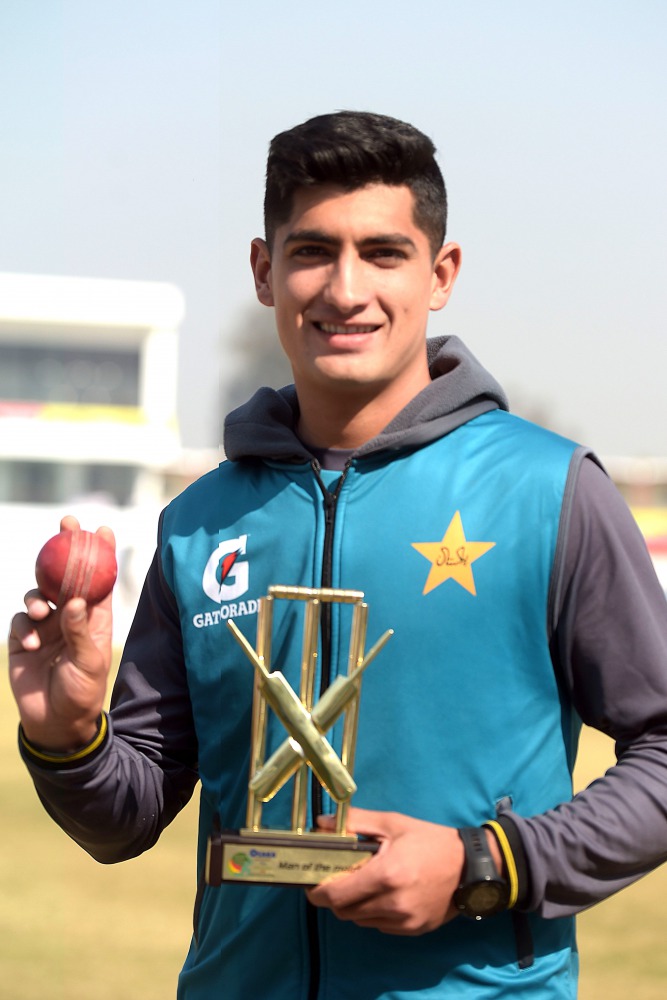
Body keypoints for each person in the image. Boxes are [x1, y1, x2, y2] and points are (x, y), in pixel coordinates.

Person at [8, 110, 667, 1000]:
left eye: (384, 254)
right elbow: (124, 820)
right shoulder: (200, 521)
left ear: (441, 275)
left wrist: (484, 862)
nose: (345, 289)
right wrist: (68, 735)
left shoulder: (548, 491)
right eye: (312, 251)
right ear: (263, 270)